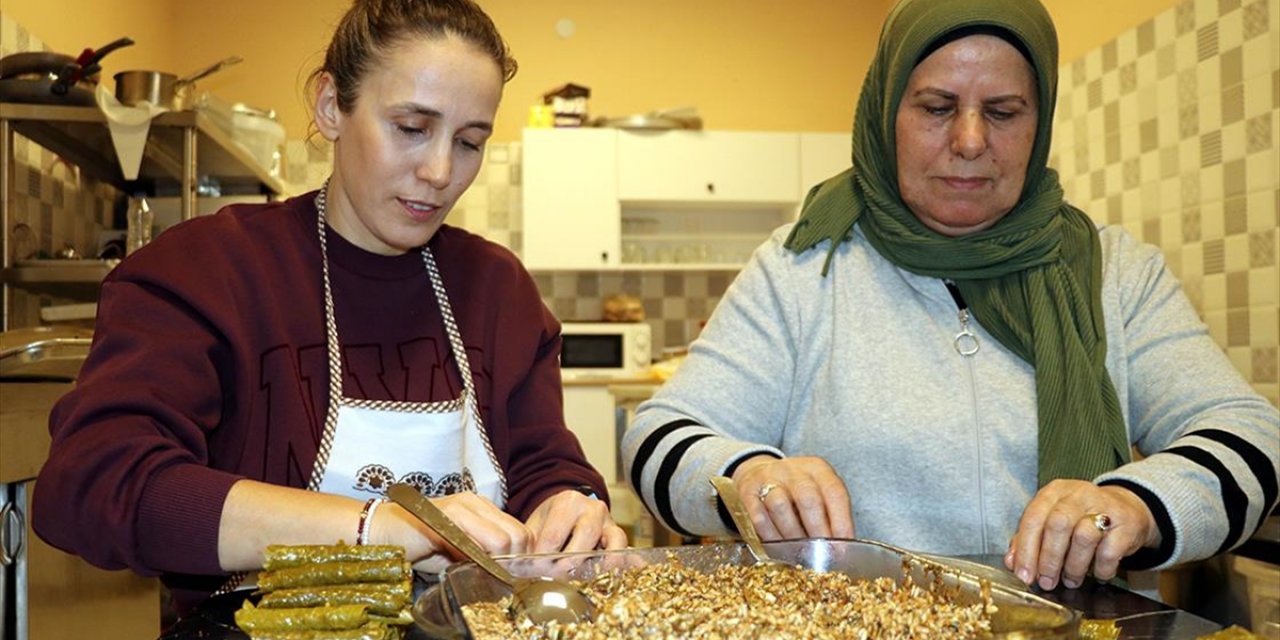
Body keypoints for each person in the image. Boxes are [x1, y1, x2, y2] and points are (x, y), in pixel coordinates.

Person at [622, 0, 1279, 594]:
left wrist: (1139, 504)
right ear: (887, 114)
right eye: (937, 108)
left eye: (1003, 112)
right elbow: (658, 438)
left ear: (1039, 119)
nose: (969, 141)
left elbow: (1251, 439)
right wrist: (749, 474)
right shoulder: (801, 270)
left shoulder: (1117, 273)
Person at [33, 0, 626, 616]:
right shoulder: (208, 271)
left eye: (470, 141)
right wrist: (380, 529)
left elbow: (543, 463)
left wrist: (570, 501)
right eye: (411, 127)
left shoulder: (497, 289)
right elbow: (94, 484)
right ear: (329, 106)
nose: (440, 170)